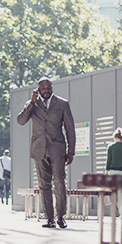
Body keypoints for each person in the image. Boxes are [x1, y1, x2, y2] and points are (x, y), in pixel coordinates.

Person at [16, 77, 75, 229]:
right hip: (39, 150)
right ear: (38, 89)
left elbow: (70, 129)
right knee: (44, 185)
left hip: (58, 149)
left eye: (49, 87)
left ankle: (60, 216)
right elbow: (20, 120)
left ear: (52, 87)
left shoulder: (63, 104)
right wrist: (31, 103)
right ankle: (49, 218)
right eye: (43, 88)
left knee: (59, 182)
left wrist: (71, 151)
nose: (46, 90)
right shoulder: (32, 105)